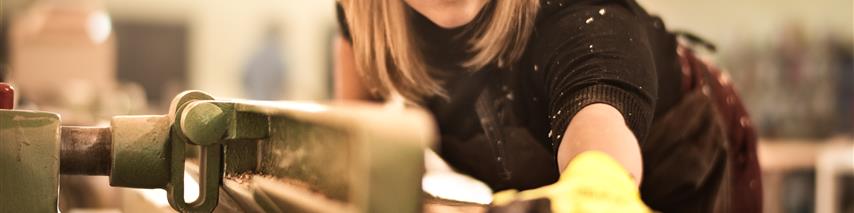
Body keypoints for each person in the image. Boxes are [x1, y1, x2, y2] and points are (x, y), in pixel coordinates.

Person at [333, 0, 762, 212]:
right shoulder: (369, 13)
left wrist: (598, 185)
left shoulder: (583, 21)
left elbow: (600, 149)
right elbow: (350, 142)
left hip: (690, 151)